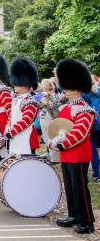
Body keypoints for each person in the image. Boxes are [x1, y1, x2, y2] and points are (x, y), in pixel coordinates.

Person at [52, 58, 96, 235]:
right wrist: (53, 141)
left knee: (80, 188)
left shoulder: (85, 110)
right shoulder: (65, 108)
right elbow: (57, 128)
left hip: (78, 153)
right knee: (69, 186)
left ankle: (86, 220)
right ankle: (73, 215)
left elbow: (80, 133)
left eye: (69, 87)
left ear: (78, 88)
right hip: (66, 153)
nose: (66, 90)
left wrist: (62, 144)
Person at [4, 57, 41, 157]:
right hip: (15, 136)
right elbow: (11, 117)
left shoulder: (30, 101)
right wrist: (7, 128)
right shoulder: (16, 100)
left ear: (27, 84)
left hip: (26, 137)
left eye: (18, 84)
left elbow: (26, 121)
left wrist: (11, 131)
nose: (15, 85)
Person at [40, 78, 62, 164]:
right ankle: (50, 155)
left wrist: (45, 101)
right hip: (44, 117)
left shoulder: (53, 95)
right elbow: (40, 106)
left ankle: (55, 158)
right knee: (46, 138)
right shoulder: (42, 95)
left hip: (50, 118)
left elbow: (54, 107)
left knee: (51, 137)